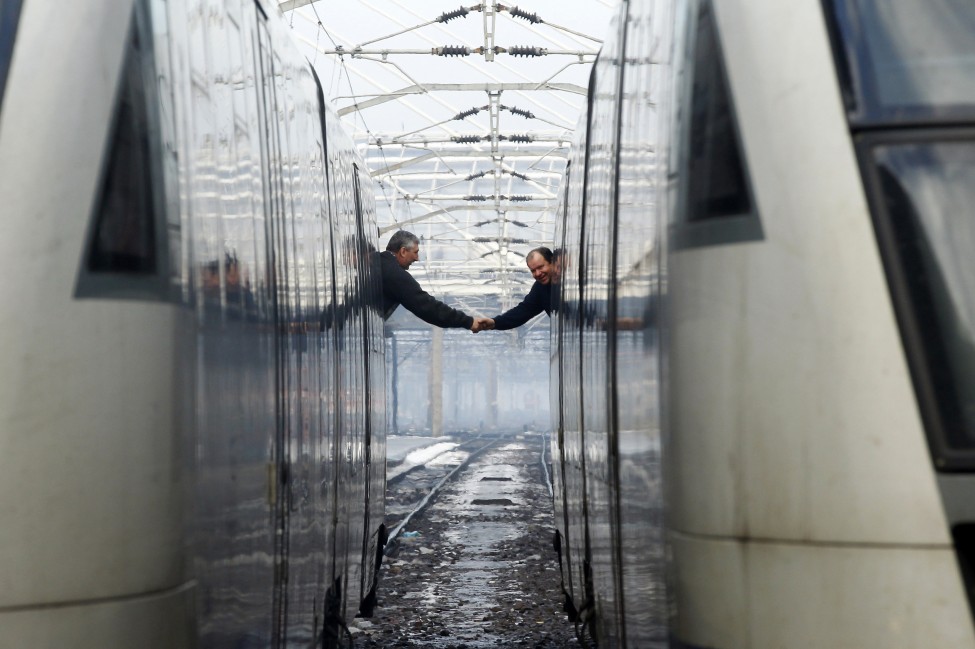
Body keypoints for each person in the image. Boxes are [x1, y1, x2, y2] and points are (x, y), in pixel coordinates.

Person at [380, 230, 491, 332]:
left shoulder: (382, 263)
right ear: (403, 251)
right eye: (415, 252)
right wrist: (468, 322)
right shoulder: (395, 274)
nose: (417, 258)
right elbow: (428, 307)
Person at [481, 246, 561, 331]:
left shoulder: (571, 281)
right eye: (533, 271)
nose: (537, 273)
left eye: (540, 267)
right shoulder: (540, 288)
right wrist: (495, 322)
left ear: (553, 262)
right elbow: (523, 311)